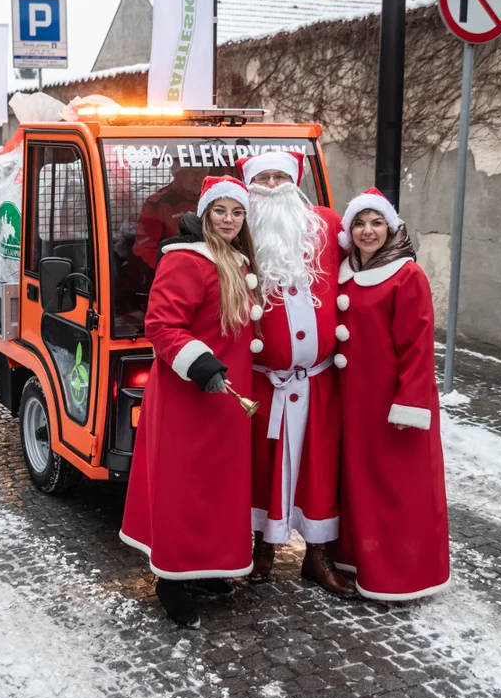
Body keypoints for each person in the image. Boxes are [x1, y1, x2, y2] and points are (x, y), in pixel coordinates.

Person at [120, 176, 265, 629]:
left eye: (236, 212)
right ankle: (171, 581)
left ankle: (204, 566)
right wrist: (200, 365)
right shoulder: (185, 260)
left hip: (224, 398)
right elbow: (161, 326)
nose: (228, 219)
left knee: (218, 487)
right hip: (190, 396)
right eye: (220, 211)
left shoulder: (235, 261)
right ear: (204, 215)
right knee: (185, 487)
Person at [236, 152, 357, 598]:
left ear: (296, 181)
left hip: (321, 379)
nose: (271, 184)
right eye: (262, 178)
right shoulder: (239, 228)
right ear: (250, 185)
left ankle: (318, 557)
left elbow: (370, 245)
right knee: (261, 464)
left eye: (280, 176)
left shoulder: (326, 223)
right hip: (264, 381)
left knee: (320, 464)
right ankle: (261, 549)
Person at [332, 187, 451, 601]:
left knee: (399, 488)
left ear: (391, 226)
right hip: (353, 401)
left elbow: (418, 347)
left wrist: (411, 402)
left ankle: (404, 575)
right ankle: (360, 561)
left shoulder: (406, 275)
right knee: (359, 484)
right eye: (359, 223)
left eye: (376, 222)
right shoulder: (344, 269)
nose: (368, 231)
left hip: (392, 402)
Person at [131, 163, 210, 270]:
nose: (200, 176)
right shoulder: (158, 204)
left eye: (203, 169)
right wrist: (170, 270)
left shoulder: (215, 198)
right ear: (176, 173)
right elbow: (145, 249)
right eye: (193, 170)